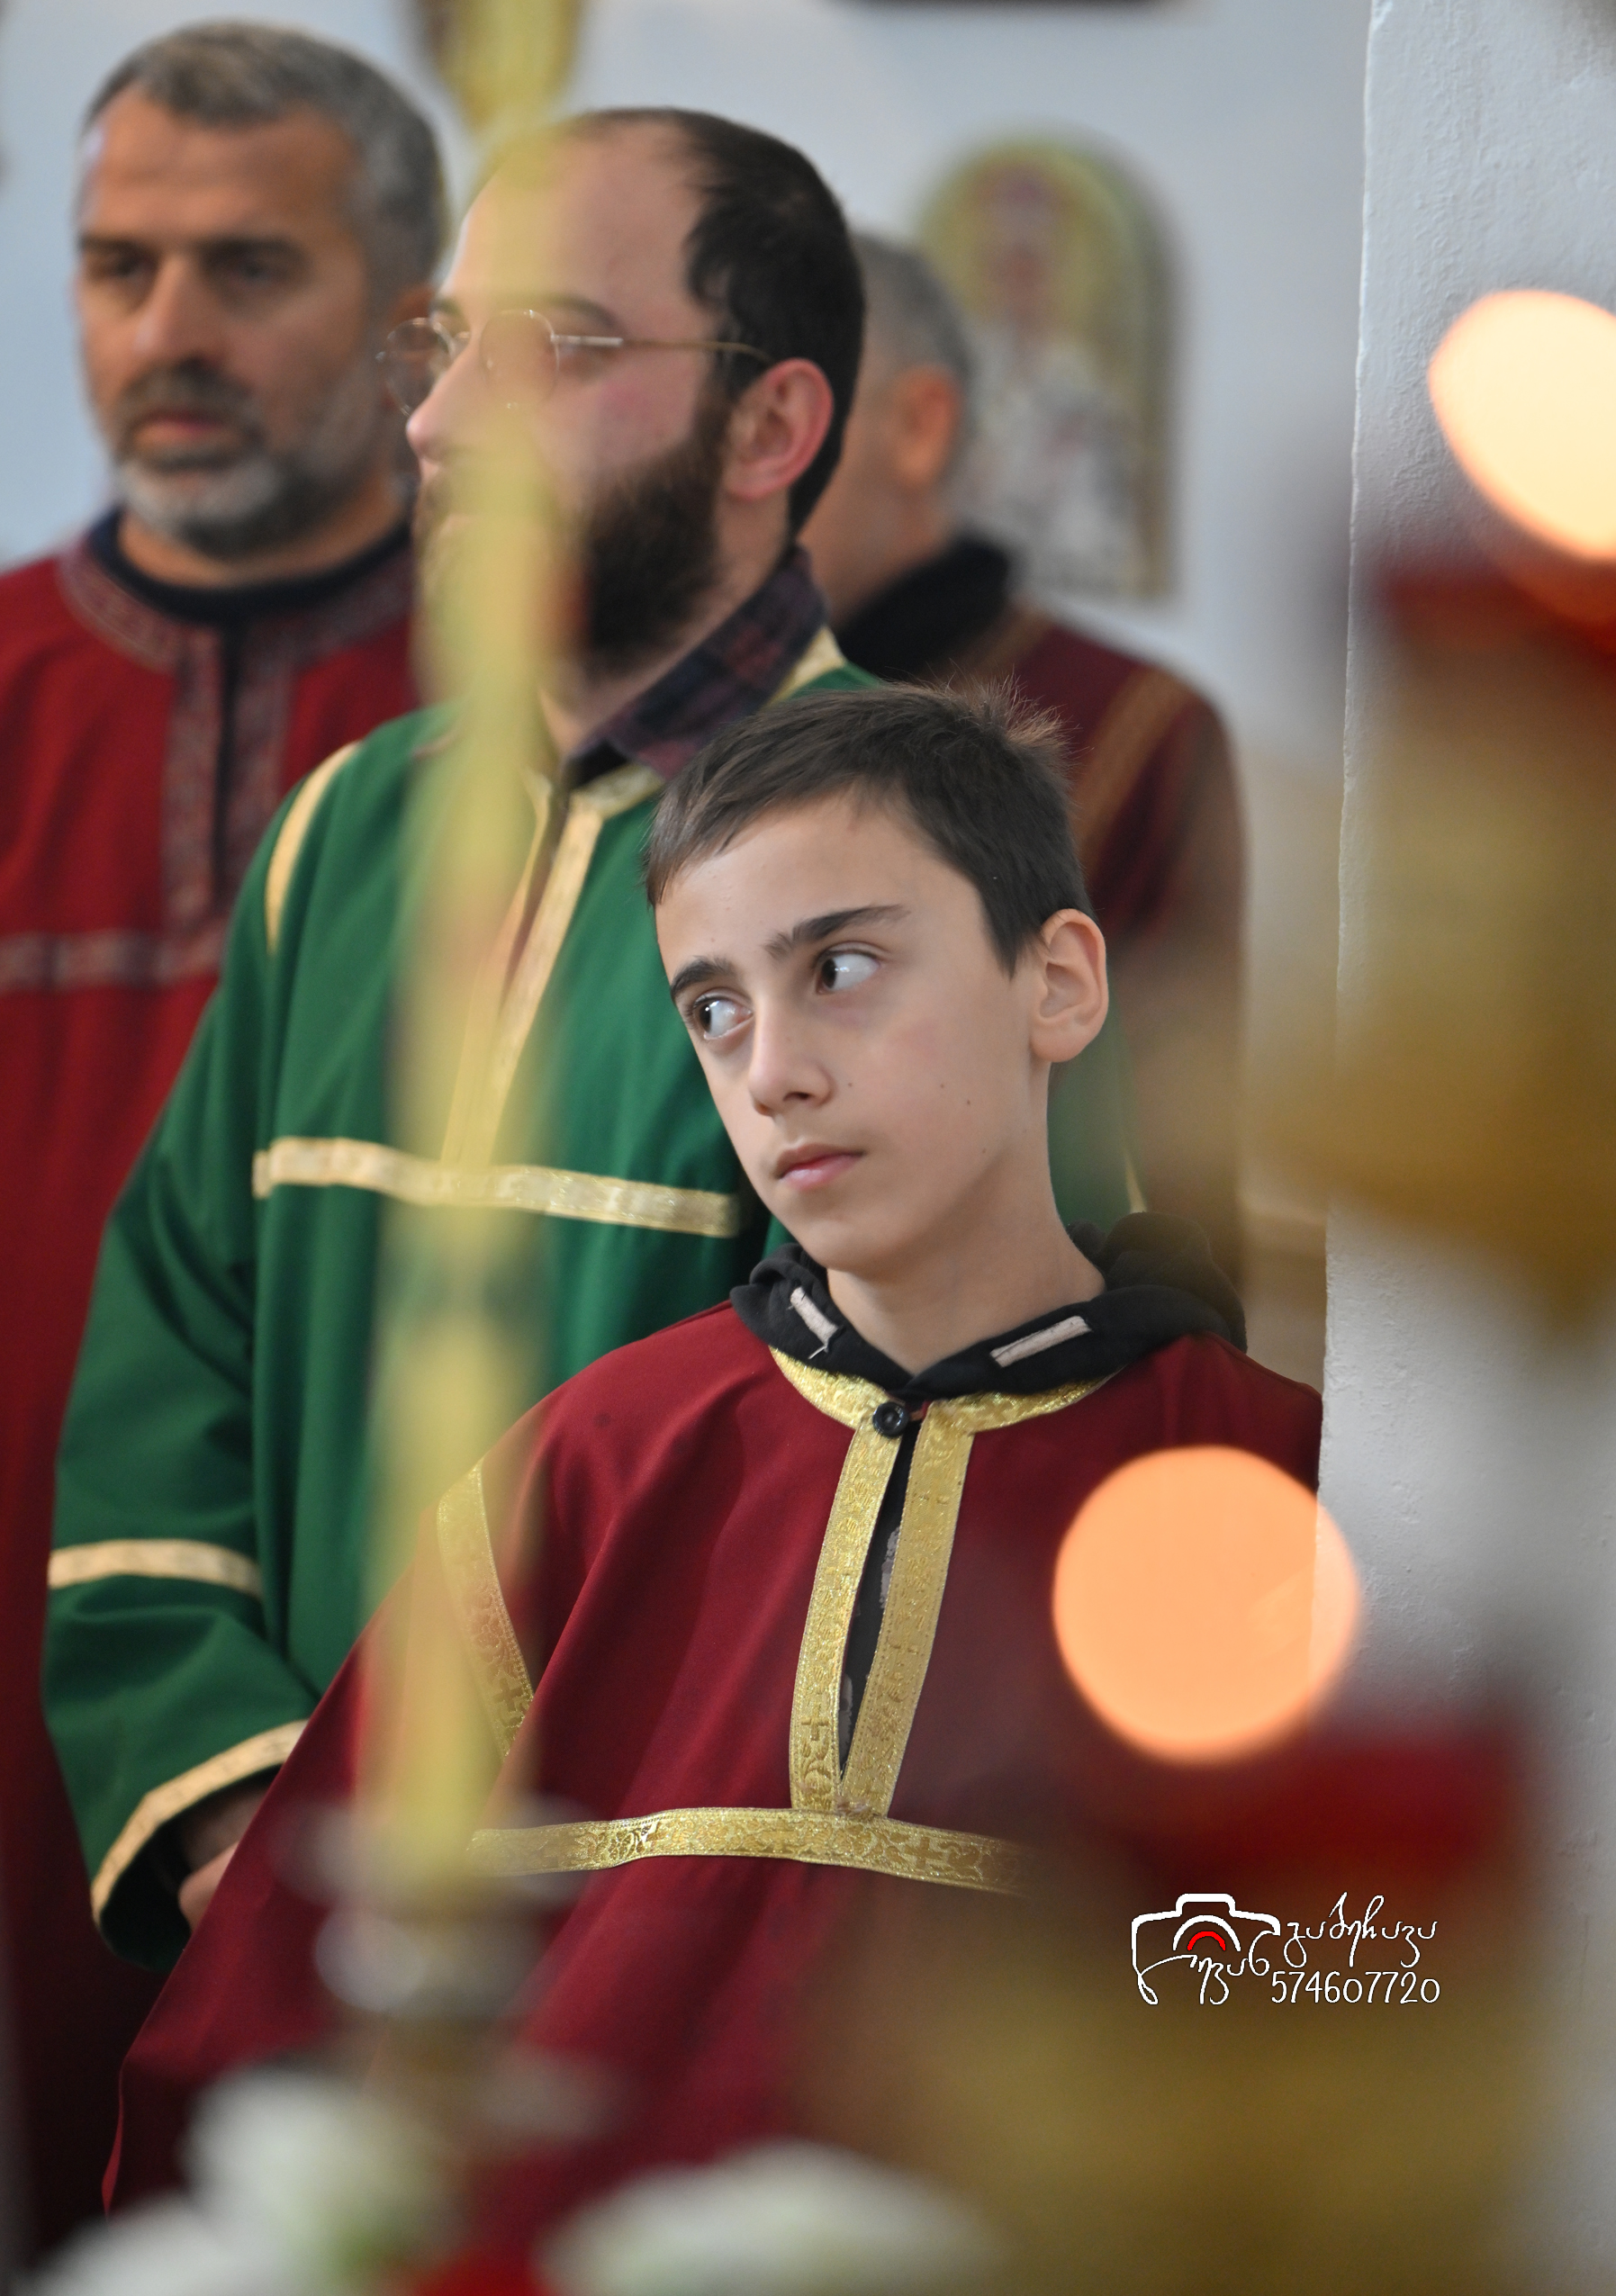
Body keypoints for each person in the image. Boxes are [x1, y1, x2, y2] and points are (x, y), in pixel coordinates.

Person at [45, 108, 1142, 1987]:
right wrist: (242, 1825)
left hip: (676, 1954)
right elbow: (172, 1358)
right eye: (439, 346)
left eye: (550, 346)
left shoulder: (933, 873)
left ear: (771, 428)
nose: (438, 425)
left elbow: (962, 1468)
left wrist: (609, 1906)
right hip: (296, 1931)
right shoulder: (345, 834)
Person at [105, 684, 1320, 2233]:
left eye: (843, 968)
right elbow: (275, 2022)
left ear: (1058, 982)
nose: (772, 1071)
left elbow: (1364, 2030)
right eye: (713, 1008)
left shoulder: (1266, 1488)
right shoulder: (590, 1463)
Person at [0, 24, 441, 2249]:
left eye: (247, 268)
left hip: (378, 1681)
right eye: (119, 268)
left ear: (412, 324)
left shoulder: (540, 729)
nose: (165, 329)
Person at [801, 232, 1243, 1277]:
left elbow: (1172, 1164)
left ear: (916, 426)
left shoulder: (1131, 722)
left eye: (792, 419)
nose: (737, 472)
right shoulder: (684, 708)